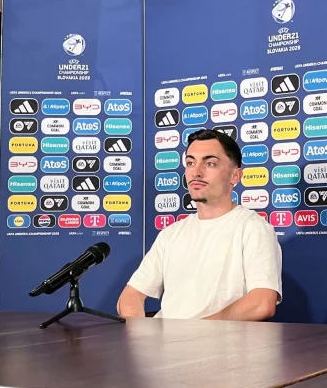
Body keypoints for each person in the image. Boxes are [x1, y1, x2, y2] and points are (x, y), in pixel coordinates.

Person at [117, 129, 282, 320]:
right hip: (163, 338)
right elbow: (130, 297)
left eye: (210, 163)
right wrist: (142, 332)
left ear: (235, 176)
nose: (196, 172)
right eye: (190, 163)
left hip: (217, 339)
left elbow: (262, 303)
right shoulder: (171, 234)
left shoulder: (253, 229)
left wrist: (195, 333)